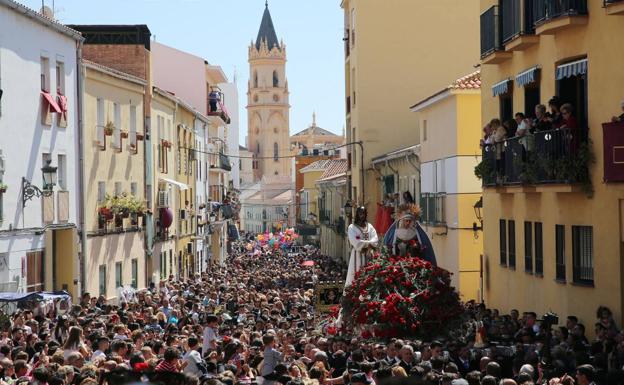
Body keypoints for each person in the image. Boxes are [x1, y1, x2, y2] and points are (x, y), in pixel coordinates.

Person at [345, 206, 378, 287]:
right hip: (357, 254)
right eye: (360, 213)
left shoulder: (370, 226)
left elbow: (375, 238)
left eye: (363, 213)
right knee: (356, 272)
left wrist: (368, 244)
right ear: (357, 214)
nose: (362, 215)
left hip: (370, 253)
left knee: (371, 272)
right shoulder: (352, 227)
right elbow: (354, 241)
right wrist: (368, 243)